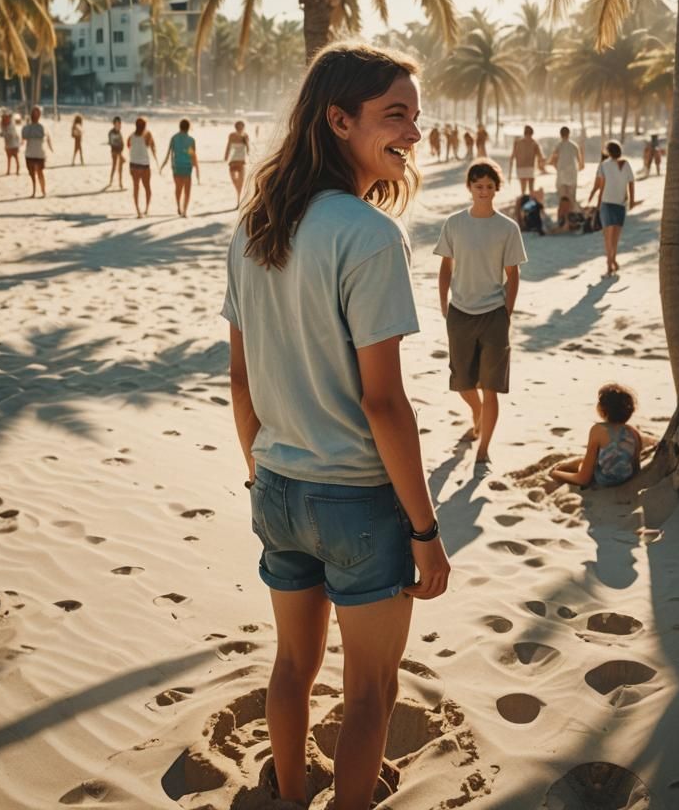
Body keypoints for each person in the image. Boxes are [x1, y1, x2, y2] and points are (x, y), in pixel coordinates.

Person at [223, 41, 449, 810]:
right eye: (395, 116)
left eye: (416, 118)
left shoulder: (255, 228)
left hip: (278, 485)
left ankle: (289, 798)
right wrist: (424, 526)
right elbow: (384, 404)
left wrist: (262, 474)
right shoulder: (369, 236)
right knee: (369, 693)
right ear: (338, 118)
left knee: (291, 667)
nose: (414, 134)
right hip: (356, 498)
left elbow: (240, 378)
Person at [436, 158, 526, 465]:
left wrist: (507, 311)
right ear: (470, 188)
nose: (484, 191)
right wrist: (443, 303)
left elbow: (512, 275)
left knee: (491, 387)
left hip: (494, 315)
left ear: (496, 189)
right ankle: (476, 413)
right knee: (462, 382)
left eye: (489, 186)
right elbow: (445, 266)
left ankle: (484, 448)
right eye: (478, 186)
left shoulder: (507, 228)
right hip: (460, 311)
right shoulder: (455, 224)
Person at [548, 384, 644, 488]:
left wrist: (556, 474)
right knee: (586, 461)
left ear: (602, 410)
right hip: (626, 478)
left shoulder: (598, 430)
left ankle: (558, 470)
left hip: (604, 479)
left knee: (580, 464)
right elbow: (636, 468)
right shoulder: (634, 432)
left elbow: (583, 479)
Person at [588, 140, 638, 275]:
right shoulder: (625, 164)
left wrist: (593, 197)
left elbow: (600, 185)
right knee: (615, 237)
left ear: (608, 151)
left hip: (607, 203)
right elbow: (631, 183)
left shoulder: (603, 165)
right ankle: (612, 261)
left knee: (608, 237)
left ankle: (610, 263)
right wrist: (632, 201)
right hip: (620, 204)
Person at [162, 118, 199, 216]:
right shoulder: (191, 140)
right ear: (188, 127)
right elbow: (192, 154)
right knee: (187, 190)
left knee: (178, 188)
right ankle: (185, 211)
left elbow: (169, 153)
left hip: (177, 166)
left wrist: (164, 164)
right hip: (187, 167)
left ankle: (178, 206)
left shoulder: (174, 138)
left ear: (180, 126)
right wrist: (197, 169)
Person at [549, 126, 583, 226]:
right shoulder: (574, 145)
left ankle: (561, 220)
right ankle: (572, 221)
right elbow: (581, 163)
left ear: (560, 134)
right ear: (569, 134)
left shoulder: (558, 146)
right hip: (572, 175)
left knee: (562, 198)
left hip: (561, 175)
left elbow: (552, 161)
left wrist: (558, 168)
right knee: (572, 198)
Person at [128, 117, 156, 217]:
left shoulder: (130, 136)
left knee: (136, 187)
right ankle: (147, 209)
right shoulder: (147, 135)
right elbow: (151, 146)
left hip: (133, 164)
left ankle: (138, 211)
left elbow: (128, 146)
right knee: (147, 187)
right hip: (144, 164)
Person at [21, 105, 52, 198]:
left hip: (39, 153)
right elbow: (24, 138)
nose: (36, 115)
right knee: (32, 174)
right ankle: (34, 191)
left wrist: (51, 147)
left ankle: (43, 191)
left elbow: (47, 137)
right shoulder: (27, 127)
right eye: (34, 112)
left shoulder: (43, 127)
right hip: (30, 153)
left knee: (40, 173)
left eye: (37, 112)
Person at [509, 124, 545, 195]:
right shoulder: (534, 143)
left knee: (523, 190)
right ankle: (530, 201)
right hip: (530, 168)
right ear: (532, 133)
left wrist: (509, 174)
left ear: (524, 133)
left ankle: (523, 200)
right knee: (531, 189)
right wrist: (542, 167)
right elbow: (540, 157)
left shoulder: (518, 143)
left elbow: (512, 157)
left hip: (520, 168)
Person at [224, 120, 250, 209]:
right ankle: (238, 195)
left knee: (241, 183)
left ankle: (239, 201)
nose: (240, 128)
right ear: (236, 127)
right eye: (238, 126)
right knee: (235, 181)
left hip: (242, 162)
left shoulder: (246, 136)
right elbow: (228, 146)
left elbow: (248, 150)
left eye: (241, 126)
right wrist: (226, 156)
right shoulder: (232, 135)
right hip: (233, 161)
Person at [106, 116, 125, 190]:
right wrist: (119, 151)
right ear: (114, 124)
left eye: (119, 123)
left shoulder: (118, 131)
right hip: (115, 152)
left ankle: (119, 183)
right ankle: (112, 181)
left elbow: (121, 142)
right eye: (116, 123)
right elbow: (112, 143)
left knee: (120, 168)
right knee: (114, 166)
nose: (118, 125)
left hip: (119, 152)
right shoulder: (112, 132)